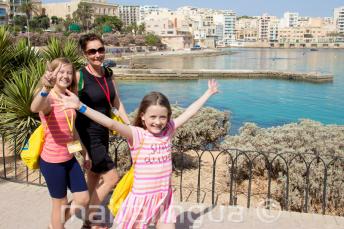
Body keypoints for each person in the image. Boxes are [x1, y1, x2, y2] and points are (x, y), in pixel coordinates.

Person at [55, 79, 219, 229]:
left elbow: (189, 113)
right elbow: (110, 122)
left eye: (163, 117)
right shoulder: (137, 135)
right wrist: (80, 107)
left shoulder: (168, 130)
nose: (158, 121)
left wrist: (208, 93)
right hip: (140, 200)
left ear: (168, 117)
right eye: (152, 116)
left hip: (164, 197)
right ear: (142, 117)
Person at [76, 33, 130, 228]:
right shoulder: (79, 76)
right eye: (92, 51)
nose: (97, 54)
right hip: (88, 136)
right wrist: (78, 147)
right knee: (112, 178)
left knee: (94, 175)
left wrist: (129, 127)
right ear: (85, 54)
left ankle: (86, 222)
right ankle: (93, 221)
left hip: (104, 132)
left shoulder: (108, 73)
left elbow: (116, 102)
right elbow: (68, 108)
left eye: (100, 49)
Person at [30, 58, 91, 229]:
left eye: (69, 72)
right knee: (60, 203)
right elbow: (35, 108)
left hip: (69, 158)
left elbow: (72, 131)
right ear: (53, 75)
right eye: (61, 72)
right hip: (52, 162)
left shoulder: (69, 97)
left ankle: (55, 224)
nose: (66, 76)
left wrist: (84, 152)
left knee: (83, 198)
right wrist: (45, 88)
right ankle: (57, 225)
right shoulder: (49, 98)